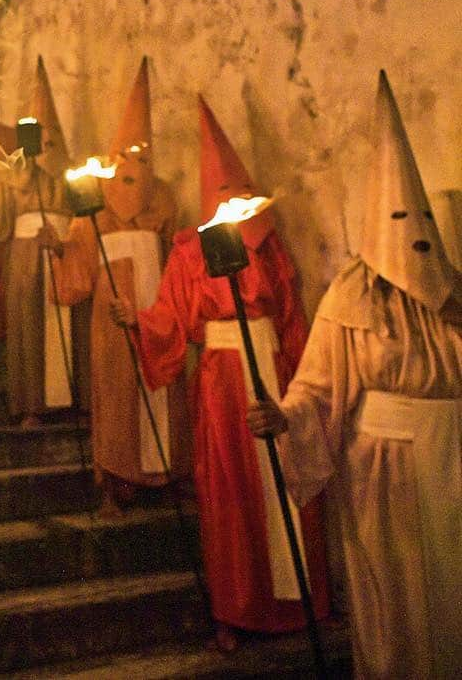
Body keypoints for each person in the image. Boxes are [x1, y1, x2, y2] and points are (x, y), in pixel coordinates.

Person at [247, 72, 461, 679]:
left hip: (456, 461)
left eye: (421, 215)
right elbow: (315, 389)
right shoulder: (351, 295)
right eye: (399, 215)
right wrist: (284, 418)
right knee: (399, 611)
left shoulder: (453, 293)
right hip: (385, 478)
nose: (413, 230)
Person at [112, 96, 330, 651]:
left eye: (239, 192)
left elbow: (292, 316)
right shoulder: (189, 250)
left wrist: (302, 386)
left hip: (272, 373)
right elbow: (172, 316)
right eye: (222, 194)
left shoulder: (272, 246)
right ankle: (235, 610)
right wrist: (136, 322)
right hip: (220, 383)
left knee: (284, 478)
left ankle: (302, 601)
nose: (232, 202)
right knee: (231, 491)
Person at [43, 60, 191, 507]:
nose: (135, 171)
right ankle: (115, 480)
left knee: (161, 387)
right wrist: (59, 250)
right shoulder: (94, 207)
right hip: (111, 322)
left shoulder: (163, 198)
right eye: (128, 157)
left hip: (156, 313)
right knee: (116, 392)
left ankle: (169, 473)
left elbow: (176, 256)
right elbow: (78, 274)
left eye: (144, 159)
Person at [0, 58, 75, 428]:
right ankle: (31, 405)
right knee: (29, 326)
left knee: (69, 326)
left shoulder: (71, 176)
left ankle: (71, 401)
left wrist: (65, 240)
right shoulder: (17, 177)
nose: (44, 145)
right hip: (27, 254)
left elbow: (81, 216)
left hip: (63, 252)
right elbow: (1, 222)